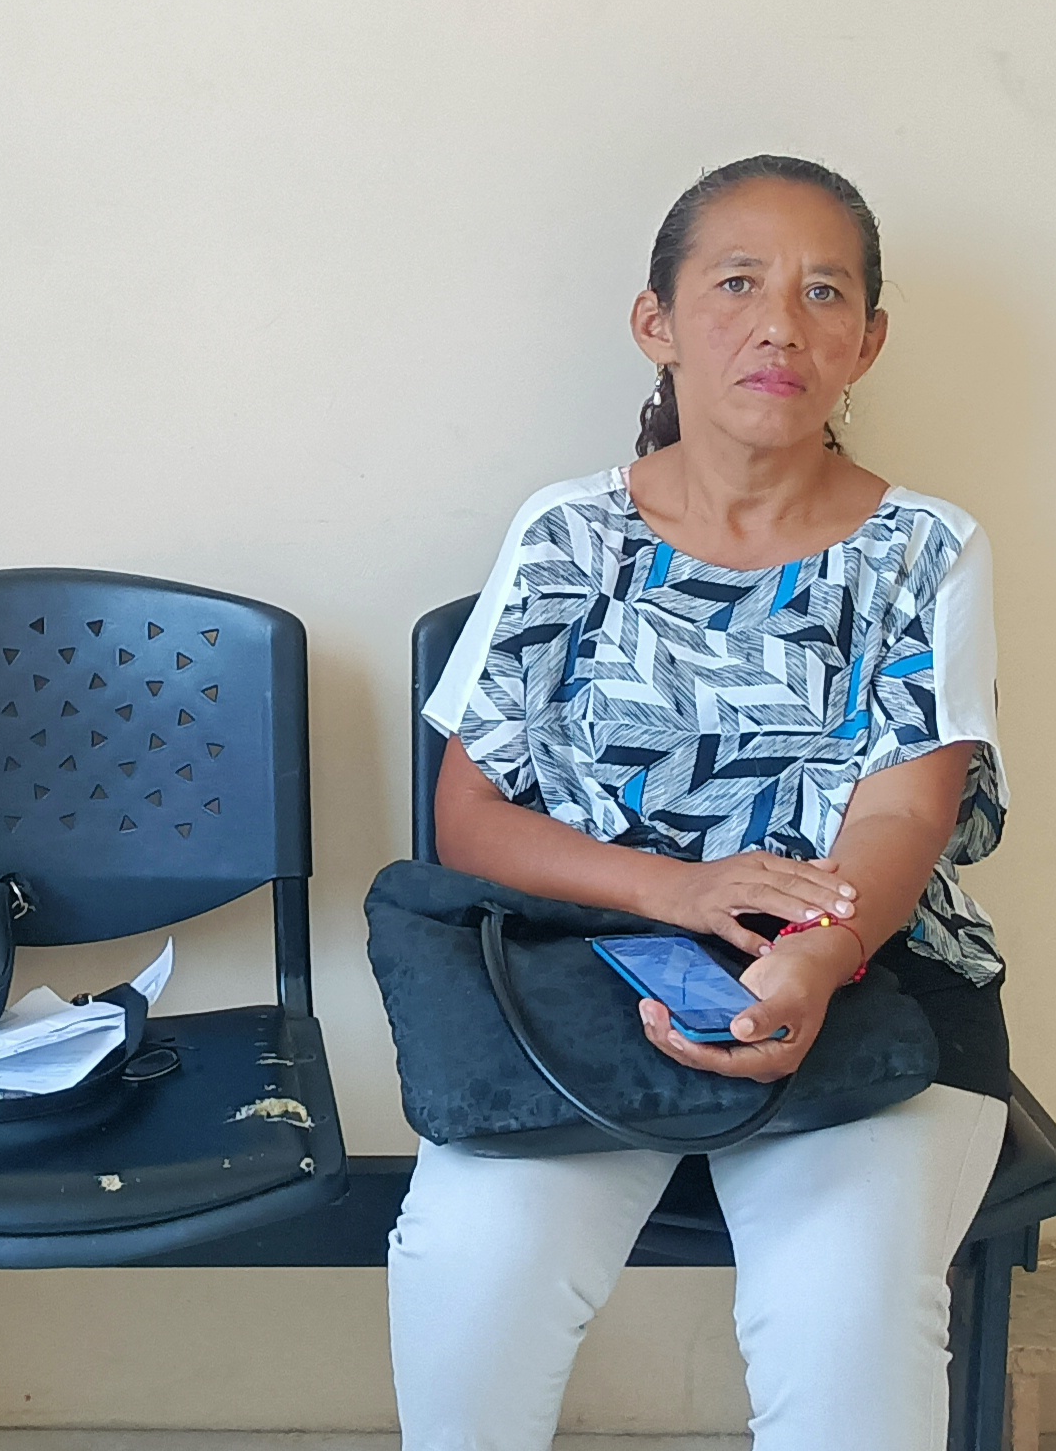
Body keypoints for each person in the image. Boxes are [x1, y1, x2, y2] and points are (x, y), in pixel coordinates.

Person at [393, 156, 1013, 1450]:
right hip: (586, 977)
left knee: (843, 1316)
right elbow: (473, 819)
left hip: (866, 982)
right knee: (473, 1262)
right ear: (657, 322)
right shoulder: (567, 533)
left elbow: (902, 817)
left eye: (822, 292)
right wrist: (679, 893)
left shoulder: (929, 549)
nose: (779, 324)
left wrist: (816, 956)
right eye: (737, 283)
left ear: (866, 343)